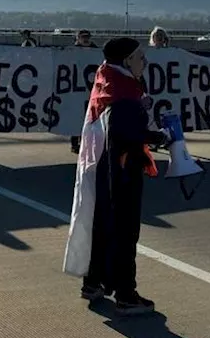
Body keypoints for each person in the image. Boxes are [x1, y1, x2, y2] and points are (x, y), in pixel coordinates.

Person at [64, 37, 169, 314]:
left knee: (101, 223)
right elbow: (126, 132)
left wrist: (139, 106)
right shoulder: (123, 90)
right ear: (126, 60)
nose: (144, 61)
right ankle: (126, 293)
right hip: (120, 168)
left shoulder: (107, 77)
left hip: (101, 165)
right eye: (140, 57)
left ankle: (93, 281)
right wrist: (160, 136)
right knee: (124, 229)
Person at [69, 29, 98, 153]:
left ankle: (88, 142)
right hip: (77, 88)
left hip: (91, 88)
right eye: (83, 37)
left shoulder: (96, 51)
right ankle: (75, 143)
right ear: (78, 38)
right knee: (76, 116)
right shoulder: (72, 51)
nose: (85, 39)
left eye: (87, 37)